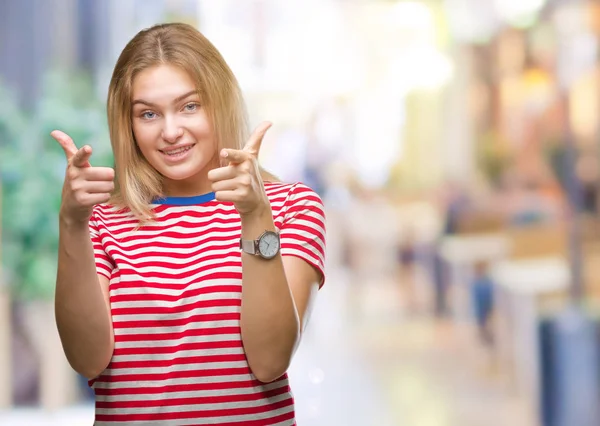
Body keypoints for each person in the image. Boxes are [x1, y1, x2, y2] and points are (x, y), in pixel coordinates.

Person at [51, 22, 326, 425]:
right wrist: (72, 223)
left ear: (219, 102)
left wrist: (254, 216)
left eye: (189, 106)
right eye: (148, 113)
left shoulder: (290, 207)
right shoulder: (102, 222)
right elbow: (86, 360)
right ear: (128, 125)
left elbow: (270, 360)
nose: (171, 131)